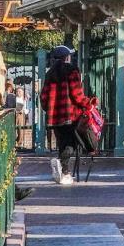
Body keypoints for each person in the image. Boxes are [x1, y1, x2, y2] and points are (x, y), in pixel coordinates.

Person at [39, 45, 93, 185]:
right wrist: (88, 103)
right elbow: (77, 95)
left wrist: (50, 109)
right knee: (71, 144)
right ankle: (65, 172)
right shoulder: (72, 71)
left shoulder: (50, 73)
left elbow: (43, 97)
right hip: (71, 114)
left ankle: (62, 169)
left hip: (54, 117)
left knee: (62, 142)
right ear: (67, 57)